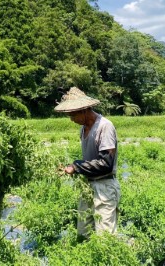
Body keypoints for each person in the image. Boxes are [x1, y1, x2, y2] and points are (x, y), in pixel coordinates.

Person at [55, 87, 121, 240]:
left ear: (84, 110)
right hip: (88, 186)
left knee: (105, 237)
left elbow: (106, 163)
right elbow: (90, 161)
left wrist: (76, 167)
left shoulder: (105, 126)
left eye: (73, 115)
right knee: (83, 233)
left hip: (104, 187)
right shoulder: (84, 129)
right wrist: (73, 167)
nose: (71, 119)